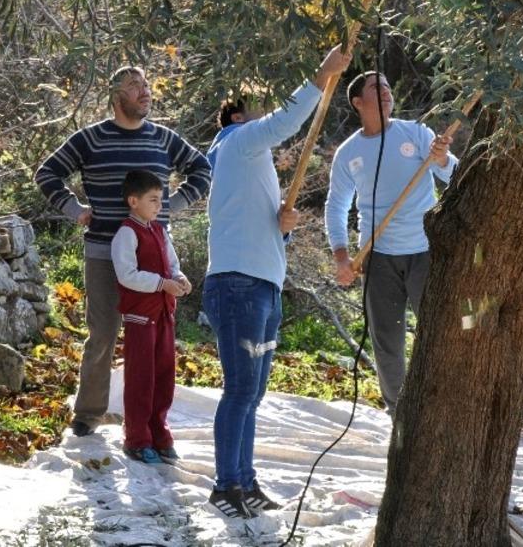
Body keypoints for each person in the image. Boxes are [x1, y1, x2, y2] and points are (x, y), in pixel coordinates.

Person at [204, 45, 351, 518]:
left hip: (263, 283)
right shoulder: (238, 141)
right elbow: (286, 123)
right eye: (261, 104)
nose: (267, 113)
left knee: (254, 393)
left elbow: (254, 223)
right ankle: (225, 485)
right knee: (240, 390)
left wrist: (280, 228)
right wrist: (322, 75)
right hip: (239, 285)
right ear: (239, 113)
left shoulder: (249, 158)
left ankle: (244, 481)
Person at [35, 66, 212, 437]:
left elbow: (201, 168)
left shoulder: (163, 139)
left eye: (146, 85)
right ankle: (88, 415)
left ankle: (147, 420)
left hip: (153, 255)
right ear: (116, 96)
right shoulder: (91, 139)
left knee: (152, 337)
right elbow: (47, 173)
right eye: (134, 86)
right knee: (102, 334)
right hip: (103, 253)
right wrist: (74, 210)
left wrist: (172, 206)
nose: (144, 92)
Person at [325, 71, 457, 416]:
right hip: (377, 257)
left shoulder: (416, 133)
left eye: (387, 85)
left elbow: (454, 175)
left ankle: (439, 408)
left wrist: (442, 158)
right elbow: (336, 205)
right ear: (357, 102)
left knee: (437, 333)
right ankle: (400, 413)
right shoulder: (348, 152)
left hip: (426, 252)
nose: (385, 91)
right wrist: (341, 255)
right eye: (375, 87)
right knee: (387, 342)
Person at [111, 170, 191, 464]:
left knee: (164, 376)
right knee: (140, 379)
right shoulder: (126, 233)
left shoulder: (159, 231)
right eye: (153, 199)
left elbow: (172, 263)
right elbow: (127, 275)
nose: (159, 205)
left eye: (161, 199)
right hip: (140, 318)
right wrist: (161, 284)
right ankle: (136, 438)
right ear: (133, 201)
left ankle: (159, 433)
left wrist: (179, 279)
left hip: (164, 315)